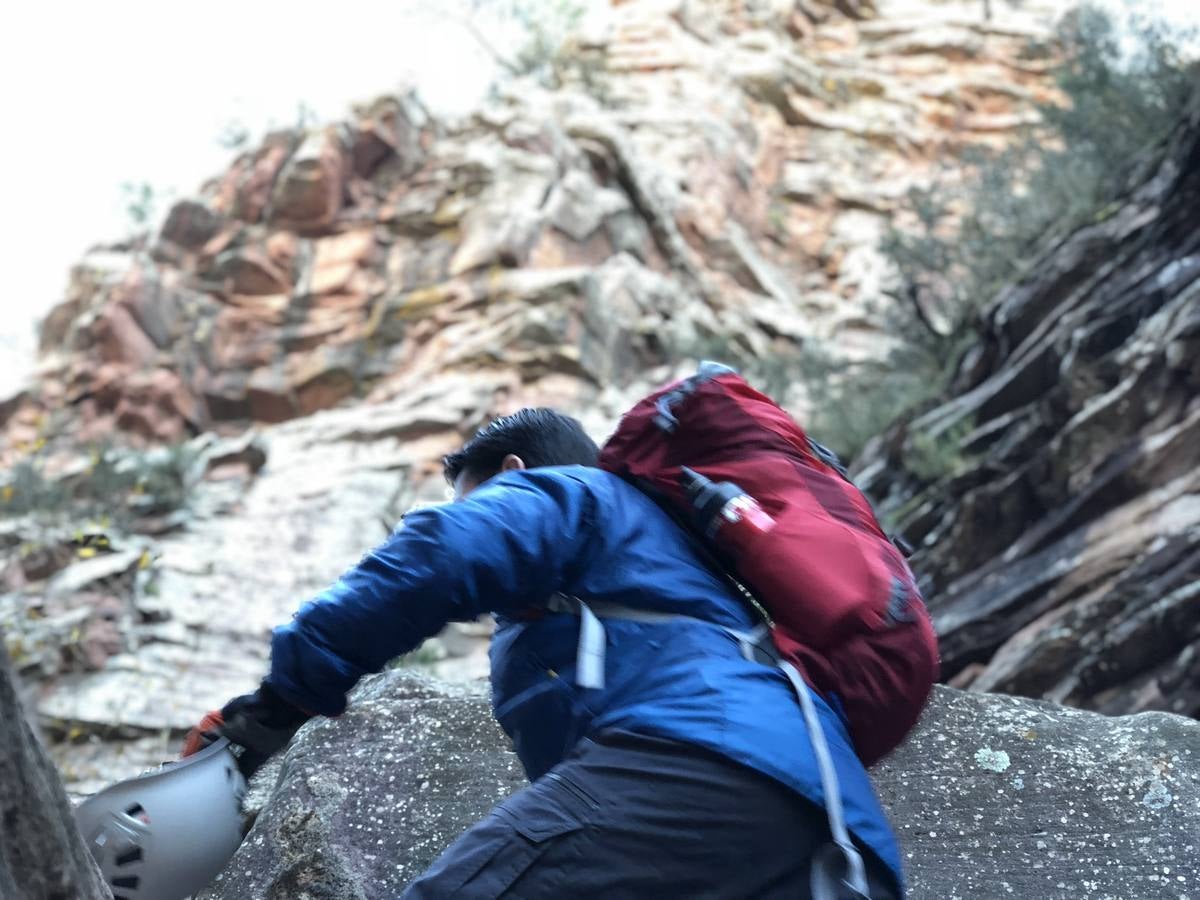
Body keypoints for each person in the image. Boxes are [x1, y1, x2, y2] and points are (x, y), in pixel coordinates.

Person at [185, 408, 905, 898]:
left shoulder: (574, 497)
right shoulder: (671, 569)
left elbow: (441, 555)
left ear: (515, 470)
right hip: (834, 844)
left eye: (476, 496)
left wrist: (278, 706)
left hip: (699, 766)